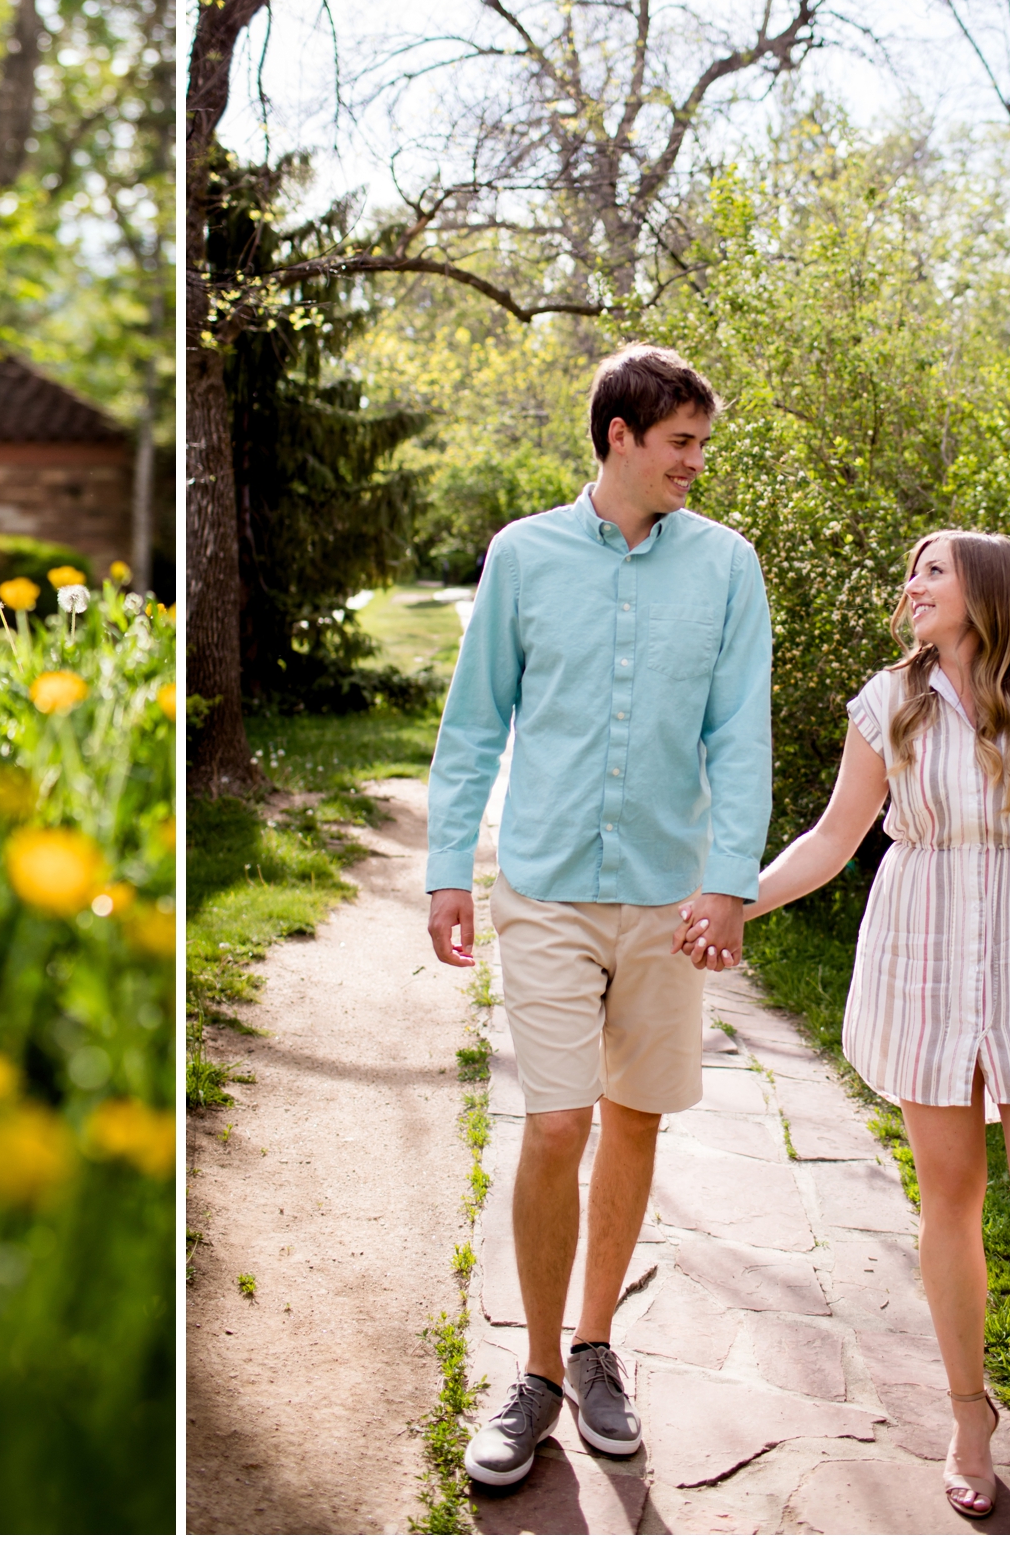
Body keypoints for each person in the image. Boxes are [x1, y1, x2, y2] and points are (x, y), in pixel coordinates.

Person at [674, 530, 1010, 1517]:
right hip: (924, 969)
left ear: (986, 591)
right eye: (915, 571)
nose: (912, 586)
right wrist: (734, 900)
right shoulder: (889, 700)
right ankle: (966, 1411)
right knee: (949, 1202)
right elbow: (832, 838)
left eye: (932, 571)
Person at [428, 345, 773, 1487]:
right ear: (620, 435)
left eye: (700, 446)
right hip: (547, 885)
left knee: (634, 1120)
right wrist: (445, 868)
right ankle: (532, 1375)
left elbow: (741, 733)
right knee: (558, 1122)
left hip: (672, 899)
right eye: (681, 443)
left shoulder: (728, 566)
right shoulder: (523, 556)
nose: (695, 464)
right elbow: (475, 723)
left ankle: (596, 1349)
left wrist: (729, 879)